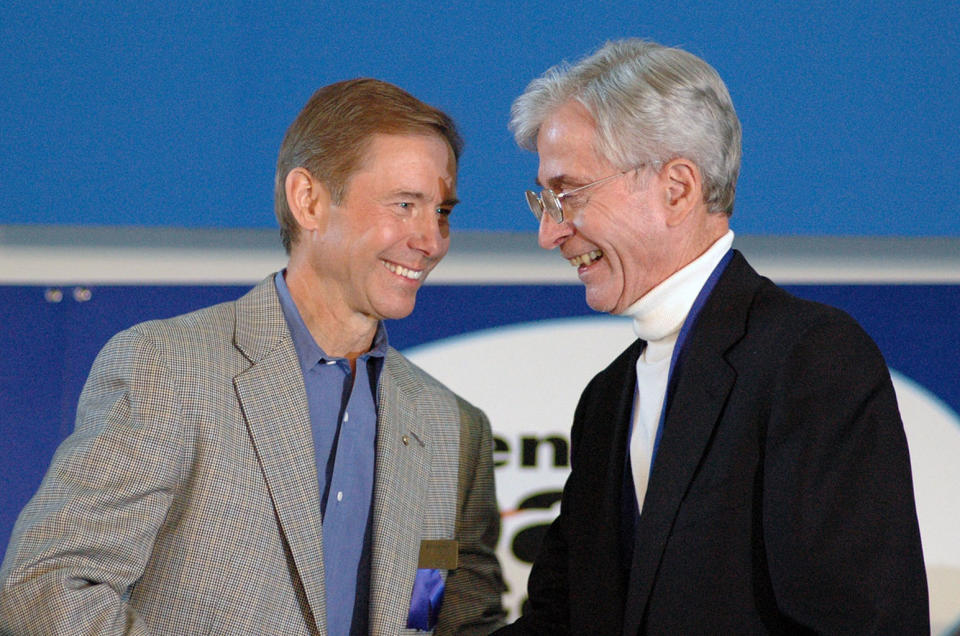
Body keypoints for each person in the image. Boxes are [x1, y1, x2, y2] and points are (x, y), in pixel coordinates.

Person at [0, 78, 505, 635]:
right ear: (308, 200)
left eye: (442, 212)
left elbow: (446, 619)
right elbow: (47, 586)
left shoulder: (452, 427)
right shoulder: (172, 368)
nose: (431, 240)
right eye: (405, 205)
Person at [498, 39, 929, 634]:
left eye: (568, 193)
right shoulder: (607, 398)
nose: (550, 233)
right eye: (544, 200)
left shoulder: (810, 360)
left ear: (677, 188)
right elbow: (562, 621)